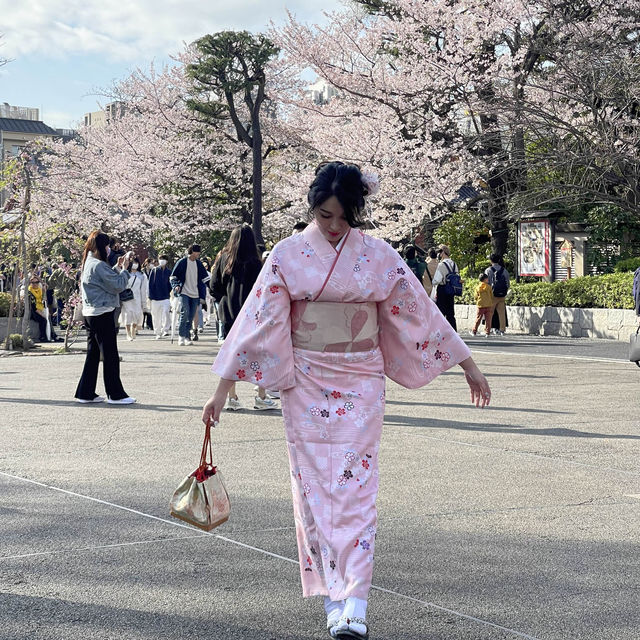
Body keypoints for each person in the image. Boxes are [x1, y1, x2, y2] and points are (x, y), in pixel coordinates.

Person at [202, 161, 491, 640]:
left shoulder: (378, 255)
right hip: (306, 383)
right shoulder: (287, 254)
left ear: (357, 214)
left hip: (360, 380)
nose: (334, 227)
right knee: (315, 488)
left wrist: (467, 364)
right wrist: (222, 390)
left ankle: (355, 598)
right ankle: (335, 601)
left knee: (356, 487)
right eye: (324, 216)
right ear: (312, 209)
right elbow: (258, 324)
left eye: (343, 218)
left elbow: (419, 313)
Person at [211, 224, 277, 411]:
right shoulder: (255, 262)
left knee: (231, 354)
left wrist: (224, 299)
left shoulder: (224, 259)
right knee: (260, 353)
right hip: (251, 314)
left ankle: (232, 398)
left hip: (228, 311)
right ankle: (261, 396)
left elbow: (214, 286)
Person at [74, 230, 136, 404]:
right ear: (102, 246)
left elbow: (104, 280)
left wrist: (116, 267)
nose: (109, 249)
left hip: (90, 313)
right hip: (103, 312)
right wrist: (124, 270)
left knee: (93, 354)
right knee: (110, 354)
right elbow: (117, 285)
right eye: (108, 245)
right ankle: (116, 394)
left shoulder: (89, 262)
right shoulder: (99, 265)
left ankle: (85, 392)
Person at [170, 244, 210, 346]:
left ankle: (187, 336)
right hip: (184, 292)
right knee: (185, 313)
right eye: (197, 252)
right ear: (192, 252)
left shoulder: (198, 264)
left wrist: (211, 288)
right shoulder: (182, 262)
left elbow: (205, 278)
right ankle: (181, 336)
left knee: (191, 316)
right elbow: (173, 276)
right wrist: (176, 286)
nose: (199, 254)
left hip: (195, 294)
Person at [430, 244, 460, 330]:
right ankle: (453, 332)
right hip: (451, 289)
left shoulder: (441, 265)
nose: (438, 254)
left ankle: (440, 331)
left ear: (443, 252)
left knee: (441, 312)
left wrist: (432, 282)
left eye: (439, 252)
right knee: (450, 313)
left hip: (442, 289)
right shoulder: (454, 264)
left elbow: (437, 280)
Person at [120, 256, 147, 341]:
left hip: (137, 297)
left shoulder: (142, 275)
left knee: (136, 314)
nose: (134, 264)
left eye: (136, 262)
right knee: (128, 314)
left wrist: (144, 302)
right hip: (127, 297)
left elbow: (143, 289)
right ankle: (128, 333)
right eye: (133, 262)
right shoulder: (125, 273)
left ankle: (133, 329)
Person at [28, 275, 60, 342]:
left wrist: (40, 280)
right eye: (33, 283)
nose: (35, 284)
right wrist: (42, 314)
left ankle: (53, 335)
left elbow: (46, 287)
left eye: (36, 282)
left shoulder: (39, 290)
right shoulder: (30, 292)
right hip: (34, 311)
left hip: (41, 308)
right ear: (30, 283)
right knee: (43, 320)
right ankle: (43, 337)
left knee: (49, 319)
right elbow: (33, 307)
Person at [485, 253, 510, 335]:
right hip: (502, 294)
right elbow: (508, 284)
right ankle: (502, 329)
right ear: (499, 260)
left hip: (492, 294)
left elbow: (486, 283)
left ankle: (489, 328)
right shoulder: (504, 270)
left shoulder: (488, 270)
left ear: (490, 260)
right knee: (501, 312)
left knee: (490, 312)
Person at [148, 255, 172, 339]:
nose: (162, 261)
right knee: (156, 315)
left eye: (164, 259)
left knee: (166, 313)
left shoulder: (169, 272)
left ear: (167, 261)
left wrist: (169, 291)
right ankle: (157, 332)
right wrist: (150, 296)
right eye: (161, 259)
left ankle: (165, 330)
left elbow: (170, 284)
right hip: (155, 297)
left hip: (165, 296)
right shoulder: (154, 270)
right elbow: (150, 284)